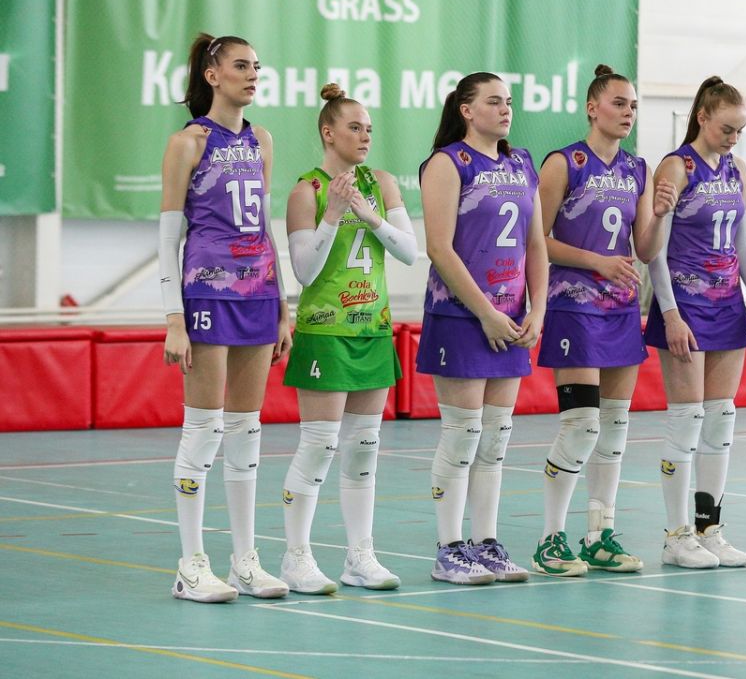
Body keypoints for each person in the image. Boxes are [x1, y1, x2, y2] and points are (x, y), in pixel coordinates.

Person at [159, 33, 290, 602]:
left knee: (245, 429)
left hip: (258, 293)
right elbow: (168, 239)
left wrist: (282, 304)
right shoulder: (188, 142)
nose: (252, 74)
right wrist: (174, 317)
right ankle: (190, 564)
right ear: (213, 75)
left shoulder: (261, 139)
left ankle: (245, 561)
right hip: (207, 294)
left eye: (256, 66)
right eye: (241, 65)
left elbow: (264, 226)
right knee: (204, 427)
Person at [532, 65, 677, 577]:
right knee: (581, 426)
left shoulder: (637, 169)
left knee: (614, 428)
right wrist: (596, 261)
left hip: (620, 309)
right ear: (593, 108)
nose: (628, 112)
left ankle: (599, 535)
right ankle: (551, 538)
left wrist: (660, 214)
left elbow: (645, 249)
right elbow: (536, 241)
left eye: (633, 105)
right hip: (574, 305)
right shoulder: (565, 163)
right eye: (619, 103)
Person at [278, 83, 417, 593]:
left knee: (364, 448)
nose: (364, 136)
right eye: (354, 127)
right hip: (325, 332)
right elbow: (304, 272)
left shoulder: (381, 183)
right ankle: (296, 557)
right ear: (328, 132)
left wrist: (370, 215)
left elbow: (409, 251)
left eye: (369, 129)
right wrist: (334, 213)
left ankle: (361, 557)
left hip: (372, 328)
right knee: (319, 445)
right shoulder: (307, 191)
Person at [417, 72, 548, 584]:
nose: (505, 109)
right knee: (463, 435)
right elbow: (439, 247)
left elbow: (535, 244)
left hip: (510, 318)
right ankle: (449, 548)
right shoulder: (448, 162)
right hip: (459, 316)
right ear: (467, 110)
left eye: (508, 101)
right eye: (494, 101)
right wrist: (484, 313)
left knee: (495, 438)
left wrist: (537, 310)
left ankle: (486, 543)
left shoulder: (521, 163)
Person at [646, 76, 746, 570]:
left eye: (740, 131)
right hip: (686, 304)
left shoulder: (736, 169)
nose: (733, 138)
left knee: (721, 420)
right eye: (726, 128)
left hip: (727, 306)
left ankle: (709, 529)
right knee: (687, 421)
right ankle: (676, 535)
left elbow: (742, 241)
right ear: (702, 117)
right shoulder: (676, 167)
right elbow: (655, 248)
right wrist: (670, 312)